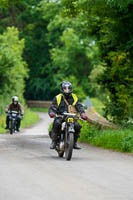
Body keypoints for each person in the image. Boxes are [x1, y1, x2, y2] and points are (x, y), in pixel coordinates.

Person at [48, 81, 88, 150]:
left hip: (71, 117)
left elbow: (79, 106)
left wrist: (82, 114)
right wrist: (52, 113)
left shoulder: (74, 97)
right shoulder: (58, 97)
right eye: (65, 89)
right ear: (62, 89)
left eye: (68, 88)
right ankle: (54, 141)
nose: (67, 90)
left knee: (77, 126)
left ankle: (74, 142)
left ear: (71, 89)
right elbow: (53, 107)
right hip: (61, 116)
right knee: (57, 123)